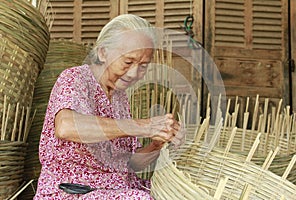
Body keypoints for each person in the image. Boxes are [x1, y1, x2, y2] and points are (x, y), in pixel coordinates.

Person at [34, 14, 185, 199]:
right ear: (103, 53)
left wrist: (158, 142)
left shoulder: (119, 97)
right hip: (72, 191)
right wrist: (143, 126)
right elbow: (66, 127)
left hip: (117, 188)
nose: (134, 73)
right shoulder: (76, 79)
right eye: (128, 62)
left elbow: (131, 165)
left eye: (143, 66)